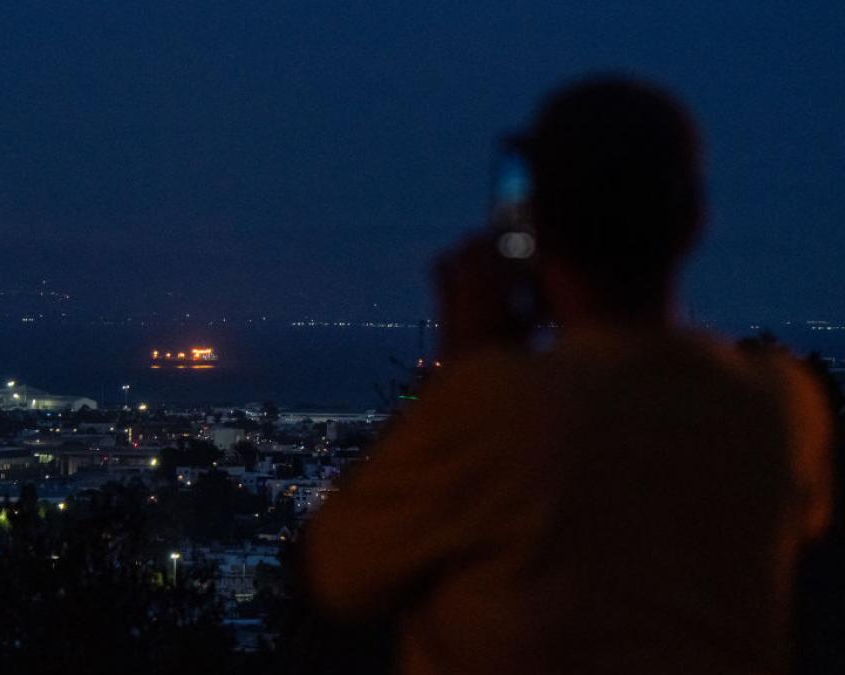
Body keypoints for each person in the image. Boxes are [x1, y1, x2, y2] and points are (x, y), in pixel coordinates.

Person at [303, 76, 833, 674]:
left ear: (533, 229)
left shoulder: (498, 410)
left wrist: (467, 363)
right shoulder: (783, 405)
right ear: (694, 221)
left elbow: (340, 572)